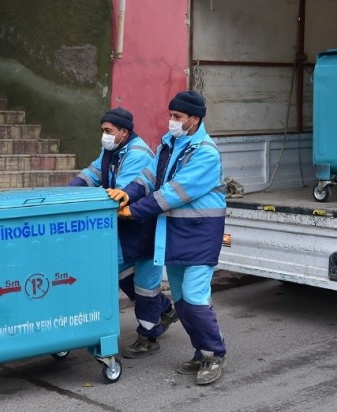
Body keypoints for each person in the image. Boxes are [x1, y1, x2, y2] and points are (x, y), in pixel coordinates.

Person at [107, 91, 228, 385]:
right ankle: (200, 352)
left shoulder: (205, 153)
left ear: (194, 120)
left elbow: (174, 192)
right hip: (173, 234)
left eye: (177, 117)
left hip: (200, 235)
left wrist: (134, 211)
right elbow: (150, 177)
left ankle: (214, 354)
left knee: (196, 300)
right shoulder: (169, 143)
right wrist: (129, 192)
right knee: (183, 302)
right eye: (170, 115)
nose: (171, 121)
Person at [69, 107, 178, 359]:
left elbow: (121, 193)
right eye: (103, 131)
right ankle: (163, 309)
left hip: (144, 226)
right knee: (120, 272)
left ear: (123, 132)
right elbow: (92, 174)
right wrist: (67, 192)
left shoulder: (137, 154)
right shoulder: (112, 150)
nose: (104, 136)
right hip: (127, 227)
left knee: (145, 287)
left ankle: (149, 336)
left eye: (108, 131)